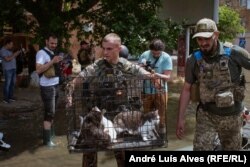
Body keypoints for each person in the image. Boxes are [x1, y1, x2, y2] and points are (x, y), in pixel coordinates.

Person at [66, 33, 166, 167]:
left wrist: (153, 79)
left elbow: (142, 72)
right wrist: (70, 91)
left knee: (122, 151)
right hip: (98, 113)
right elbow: (79, 78)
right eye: (104, 48)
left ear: (118, 49)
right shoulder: (97, 66)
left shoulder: (125, 65)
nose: (104, 52)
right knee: (89, 149)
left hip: (119, 113)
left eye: (109, 49)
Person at [176, 18, 250, 151]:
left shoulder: (234, 53)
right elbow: (186, 89)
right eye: (199, 39)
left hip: (232, 117)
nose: (203, 43)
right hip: (207, 116)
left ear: (216, 35)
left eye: (207, 38)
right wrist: (181, 119)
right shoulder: (193, 60)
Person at [138, 39, 173, 141]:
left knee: (161, 115)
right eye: (153, 53)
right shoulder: (145, 55)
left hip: (161, 91)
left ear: (162, 51)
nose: (156, 55)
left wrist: (157, 75)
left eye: (158, 53)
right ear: (150, 50)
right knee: (146, 114)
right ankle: (146, 135)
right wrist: (142, 67)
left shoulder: (166, 57)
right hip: (146, 90)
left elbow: (167, 77)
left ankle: (161, 137)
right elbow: (138, 70)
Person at [36, 33, 63, 147]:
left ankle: (51, 135)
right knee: (49, 112)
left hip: (55, 85)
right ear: (46, 41)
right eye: (52, 43)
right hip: (47, 87)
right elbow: (38, 70)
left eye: (55, 43)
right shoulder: (41, 53)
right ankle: (47, 141)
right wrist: (52, 61)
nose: (54, 45)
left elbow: (53, 69)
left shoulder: (53, 52)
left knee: (52, 112)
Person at [0, 36, 23, 103]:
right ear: (7, 44)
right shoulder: (2, 50)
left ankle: (10, 97)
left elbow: (11, 57)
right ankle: (5, 98)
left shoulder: (9, 50)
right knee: (7, 84)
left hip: (13, 68)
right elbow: (7, 59)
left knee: (12, 84)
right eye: (11, 44)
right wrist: (15, 54)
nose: (12, 46)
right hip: (8, 69)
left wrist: (17, 53)